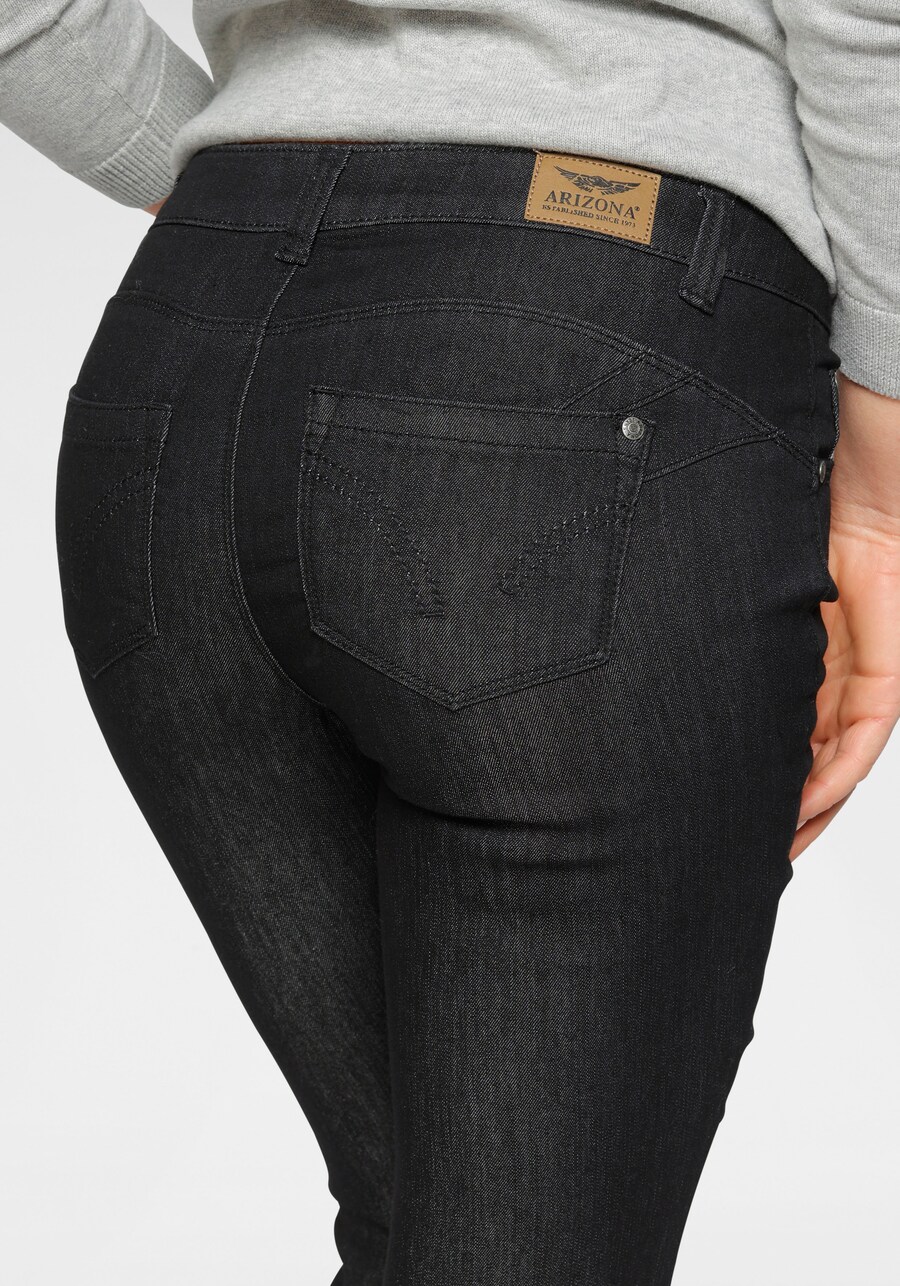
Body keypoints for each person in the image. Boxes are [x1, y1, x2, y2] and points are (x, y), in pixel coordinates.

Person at [2, 2, 898, 1282]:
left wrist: (229, 167)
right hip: (585, 339)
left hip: (182, 376)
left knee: (422, 1229)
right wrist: (882, 494)